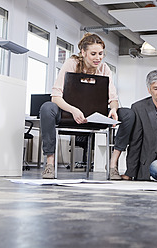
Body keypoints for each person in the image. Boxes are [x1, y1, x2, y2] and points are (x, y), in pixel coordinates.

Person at [40, 33, 134, 179]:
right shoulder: (71, 64)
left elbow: (113, 98)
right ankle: (50, 164)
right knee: (47, 108)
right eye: (93, 54)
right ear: (83, 53)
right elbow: (55, 96)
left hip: (96, 115)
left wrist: (114, 109)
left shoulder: (105, 69)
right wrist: (73, 110)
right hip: (70, 114)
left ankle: (113, 164)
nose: (98, 58)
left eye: (101, 54)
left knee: (128, 114)